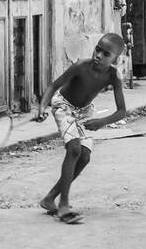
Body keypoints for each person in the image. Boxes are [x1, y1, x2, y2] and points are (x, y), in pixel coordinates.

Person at [39, 33, 128, 225]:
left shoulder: (113, 76)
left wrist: (101, 122)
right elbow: (54, 86)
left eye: (106, 54)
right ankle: (63, 205)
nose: (98, 56)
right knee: (74, 150)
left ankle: (50, 198)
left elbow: (122, 112)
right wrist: (42, 108)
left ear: (115, 59)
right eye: (97, 49)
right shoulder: (80, 66)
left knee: (84, 157)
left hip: (84, 112)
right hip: (63, 106)